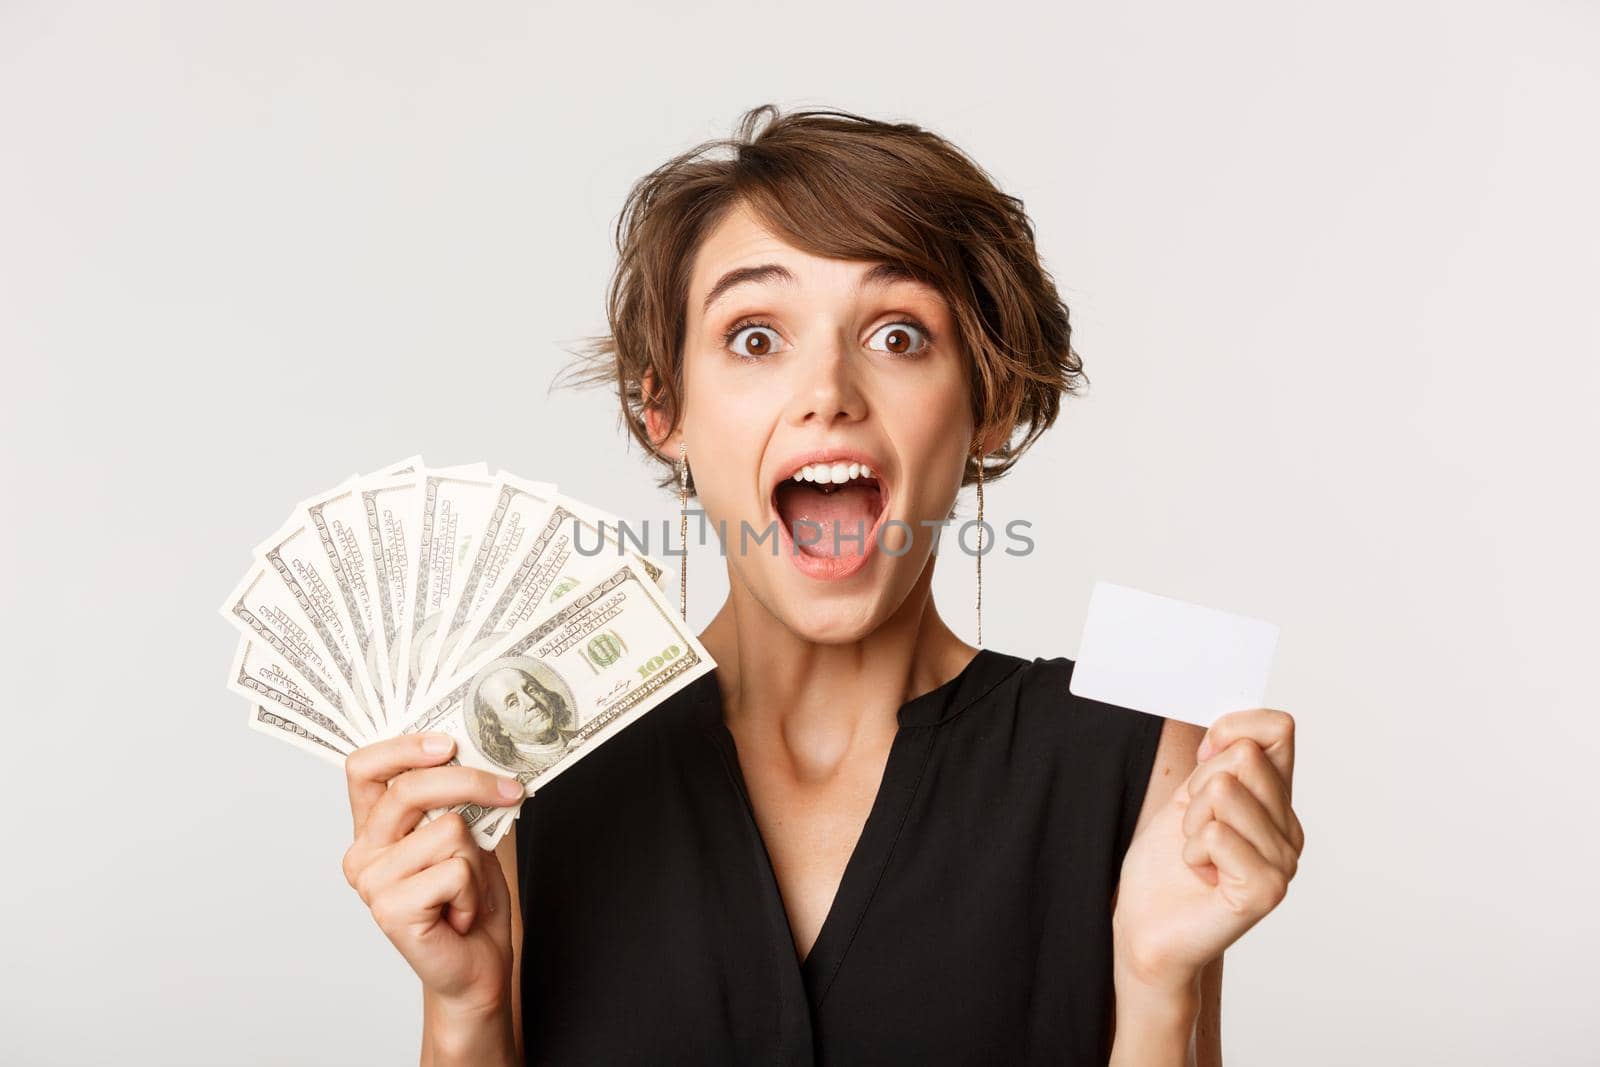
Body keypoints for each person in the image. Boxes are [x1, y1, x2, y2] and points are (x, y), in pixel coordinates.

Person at [339, 104, 1304, 1065]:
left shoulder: (1131, 752)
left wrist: (1157, 982)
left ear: (991, 404)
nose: (829, 392)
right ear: (661, 406)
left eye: (897, 336)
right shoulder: (524, 769)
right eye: (756, 337)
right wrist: (464, 1008)